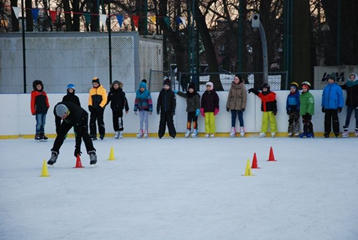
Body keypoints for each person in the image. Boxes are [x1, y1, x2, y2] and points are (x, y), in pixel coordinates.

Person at [341, 73, 358, 137]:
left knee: (357, 117)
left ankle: (357, 130)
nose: (352, 79)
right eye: (351, 77)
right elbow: (342, 86)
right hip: (349, 103)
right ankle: (346, 130)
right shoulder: (347, 84)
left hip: (357, 103)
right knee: (348, 116)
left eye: (353, 77)